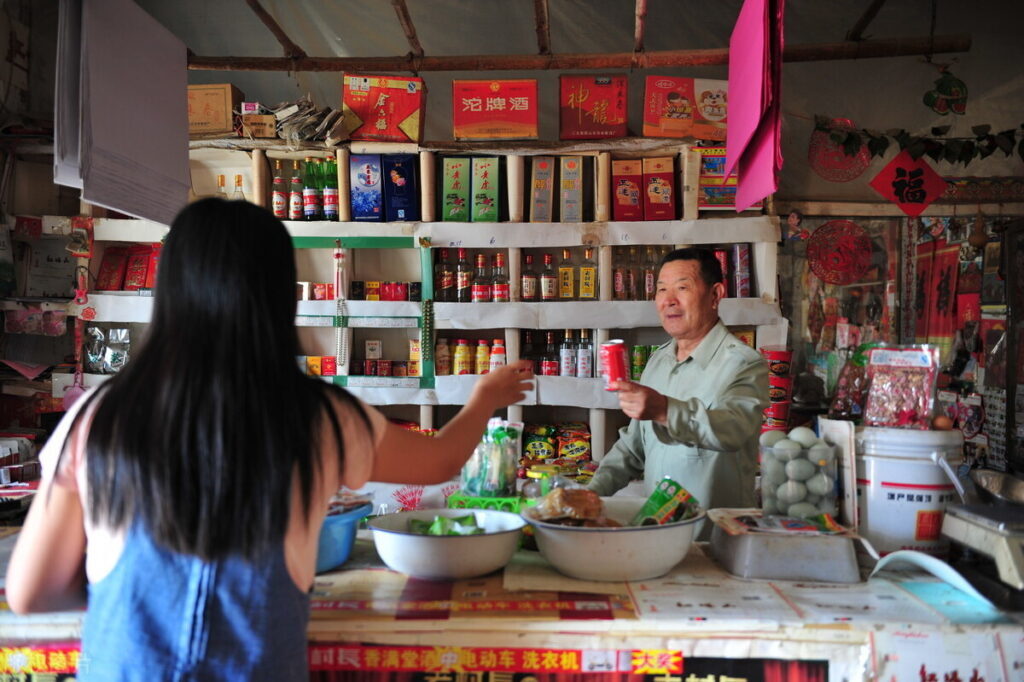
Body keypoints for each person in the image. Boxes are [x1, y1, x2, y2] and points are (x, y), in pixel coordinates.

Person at [5, 198, 533, 680]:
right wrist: (485, 397)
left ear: (171, 290)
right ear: (280, 297)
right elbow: (440, 460)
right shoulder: (316, 415)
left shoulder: (101, 415)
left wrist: (134, 603)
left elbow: (31, 592)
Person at [588, 248, 768, 513]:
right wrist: (591, 492)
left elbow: (733, 429)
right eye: (661, 290)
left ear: (715, 295)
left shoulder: (743, 363)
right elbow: (634, 446)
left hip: (712, 537)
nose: (669, 300)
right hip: (659, 531)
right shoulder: (658, 361)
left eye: (682, 288)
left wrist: (664, 409)